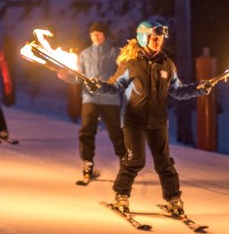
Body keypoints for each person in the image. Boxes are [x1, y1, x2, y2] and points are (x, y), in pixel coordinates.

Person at [91, 20, 212, 216]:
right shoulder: (131, 63)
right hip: (133, 121)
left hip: (158, 122)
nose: (158, 42)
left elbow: (178, 91)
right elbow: (114, 86)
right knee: (134, 161)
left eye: (161, 38)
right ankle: (121, 194)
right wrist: (98, 86)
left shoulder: (166, 63)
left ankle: (173, 199)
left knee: (164, 163)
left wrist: (198, 89)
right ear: (143, 38)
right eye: (154, 38)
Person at [60, 22, 126, 181]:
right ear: (90, 36)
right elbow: (79, 77)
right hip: (90, 98)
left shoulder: (114, 52)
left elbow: (123, 72)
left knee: (116, 132)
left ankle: (125, 162)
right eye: (93, 34)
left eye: (99, 33)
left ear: (104, 35)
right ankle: (88, 163)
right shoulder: (84, 54)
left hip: (110, 99)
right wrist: (67, 77)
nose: (96, 36)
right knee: (87, 131)